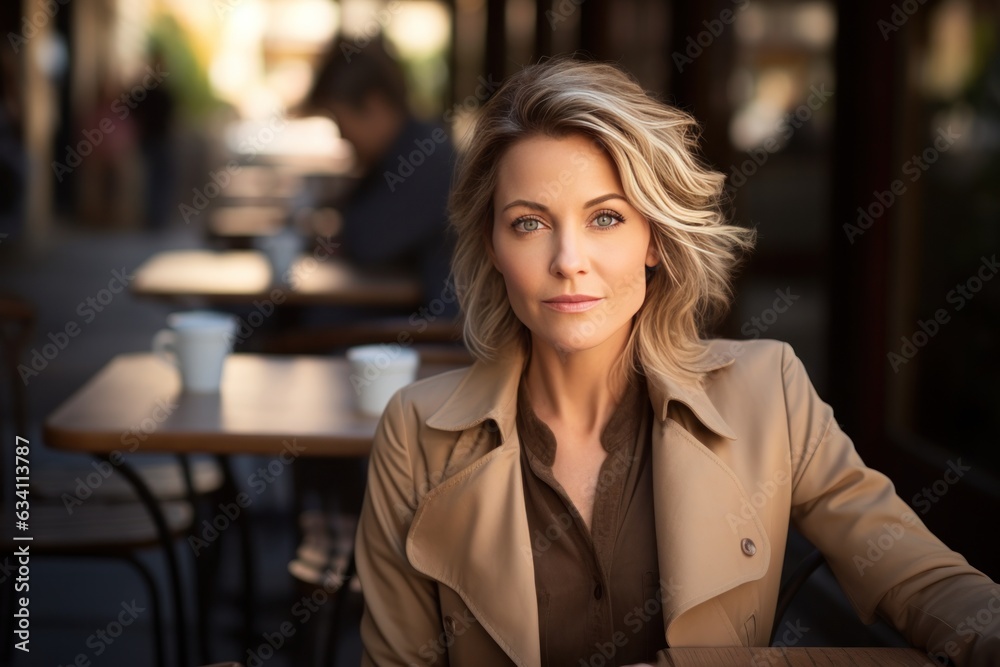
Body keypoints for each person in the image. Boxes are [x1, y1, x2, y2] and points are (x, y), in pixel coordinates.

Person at [355, 59, 1000, 666]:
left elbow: (922, 581)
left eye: (606, 218)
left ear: (655, 239)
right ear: (493, 246)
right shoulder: (416, 435)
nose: (568, 260)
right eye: (529, 223)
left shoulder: (767, 392)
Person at [302, 33, 456, 308]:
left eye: (339, 121)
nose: (342, 137)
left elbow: (365, 242)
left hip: (428, 338)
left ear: (374, 105)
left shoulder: (429, 161)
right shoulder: (407, 150)